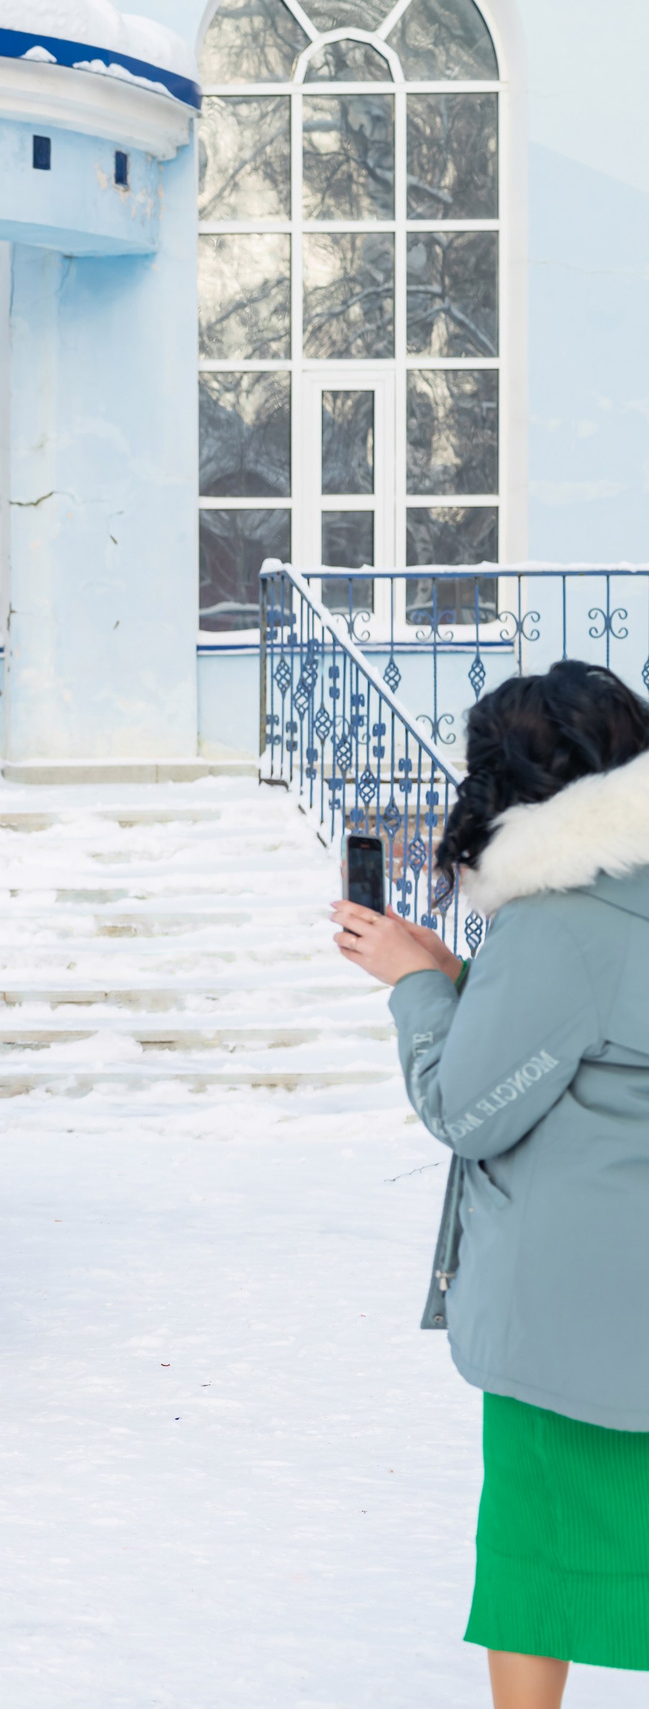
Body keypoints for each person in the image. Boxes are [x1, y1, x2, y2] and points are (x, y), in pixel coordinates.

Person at [330, 661, 649, 1709]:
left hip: (575, 1313)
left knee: (533, 1550)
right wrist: (461, 978)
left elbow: (468, 1106)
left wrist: (420, 985)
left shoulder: (558, 917)